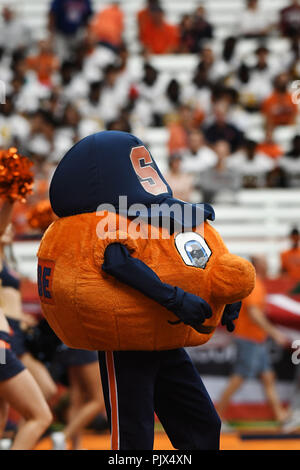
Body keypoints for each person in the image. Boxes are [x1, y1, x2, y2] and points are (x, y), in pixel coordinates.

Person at [0, 200, 52, 450]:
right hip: (1, 344)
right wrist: (10, 198)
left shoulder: (4, 259)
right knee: (40, 415)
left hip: (7, 338)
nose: (9, 229)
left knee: (1, 418)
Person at [217, 256, 289, 426]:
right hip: (249, 338)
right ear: (257, 266)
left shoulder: (258, 284)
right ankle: (216, 417)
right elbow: (254, 314)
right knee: (240, 377)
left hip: (256, 339)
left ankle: (280, 416)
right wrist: (275, 333)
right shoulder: (254, 285)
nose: (267, 264)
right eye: (263, 262)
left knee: (268, 376)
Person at [51, 346, 106, 450]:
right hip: (84, 344)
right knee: (100, 399)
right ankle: (63, 436)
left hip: (70, 345)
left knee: (77, 398)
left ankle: (76, 446)